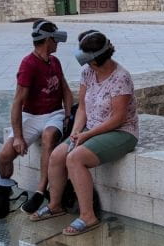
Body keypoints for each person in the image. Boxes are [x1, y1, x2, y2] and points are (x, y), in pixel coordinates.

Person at [39, 30, 138, 235]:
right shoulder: (87, 72)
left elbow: (118, 119)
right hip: (89, 129)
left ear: (96, 61)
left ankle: (88, 216)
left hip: (121, 132)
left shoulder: (121, 78)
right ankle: (55, 204)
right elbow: (82, 107)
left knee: (75, 158)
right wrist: (76, 132)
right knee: (58, 155)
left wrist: (86, 136)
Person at [0, 20, 73, 215]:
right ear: (48, 40)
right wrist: (18, 136)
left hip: (54, 114)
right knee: (5, 154)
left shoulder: (55, 62)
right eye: (55, 39)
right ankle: (3, 187)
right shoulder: (28, 64)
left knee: (49, 137)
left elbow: (65, 89)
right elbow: (17, 102)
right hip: (31, 115)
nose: (57, 43)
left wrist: (66, 114)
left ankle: (40, 191)